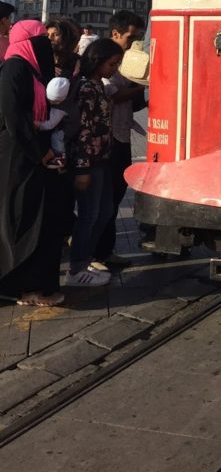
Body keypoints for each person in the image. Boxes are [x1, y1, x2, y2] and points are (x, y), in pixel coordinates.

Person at [0, 21, 70, 307]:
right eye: (40, 39)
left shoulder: (31, 70)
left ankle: (33, 284)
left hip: (31, 154)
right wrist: (38, 152)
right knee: (22, 220)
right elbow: (13, 118)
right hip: (18, 156)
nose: (46, 44)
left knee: (37, 219)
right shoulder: (15, 68)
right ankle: (20, 286)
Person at [65, 38, 123, 288]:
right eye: (112, 64)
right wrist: (83, 168)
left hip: (103, 159)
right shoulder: (87, 88)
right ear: (97, 61)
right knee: (89, 214)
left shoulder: (99, 85)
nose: (115, 69)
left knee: (104, 212)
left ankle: (85, 258)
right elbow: (84, 131)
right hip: (89, 161)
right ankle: (76, 267)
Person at [91, 11, 146, 271]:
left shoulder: (127, 61)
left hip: (122, 137)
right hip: (107, 141)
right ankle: (94, 254)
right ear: (115, 34)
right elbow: (109, 92)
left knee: (114, 198)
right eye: (130, 37)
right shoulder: (104, 58)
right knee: (103, 201)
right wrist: (138, 88)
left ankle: (106, 250)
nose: (135, 43)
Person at [38, 76, 71, 170]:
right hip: (66, 124)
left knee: (57, 137)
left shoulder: (62, 109)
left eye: (55, 101)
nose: (51, 103)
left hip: (67, 128)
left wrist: (38, 125)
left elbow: (50, 124)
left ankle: (59, 156)